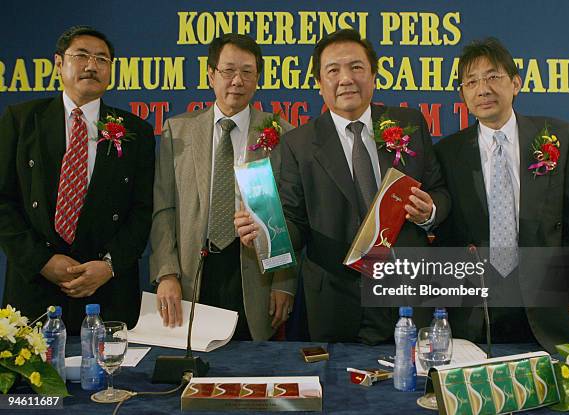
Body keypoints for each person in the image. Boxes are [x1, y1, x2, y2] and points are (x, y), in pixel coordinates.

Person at [237, 29, 450, 344]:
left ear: (374, 75)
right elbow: (295, 223)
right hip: (334, 301)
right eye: (333, 70)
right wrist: (265, 233)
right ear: (319, 84)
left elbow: (441, 191)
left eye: (356, 67)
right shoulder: (299, 143)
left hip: (406, 294)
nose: (346, 78)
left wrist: (430, 210)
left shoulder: (410, 123)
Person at [434, 37, 569, 352]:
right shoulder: (447, 153)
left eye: (493, 77)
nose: (483, 89)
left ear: (516, 83)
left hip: (544, 307)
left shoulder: (558, 138)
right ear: (463, 94)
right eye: (471, 82)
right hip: (475, 312)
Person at [0, 26, 155, 334]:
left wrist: (108, 266)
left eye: (102, 59)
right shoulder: (22, 121)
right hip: (34, 287)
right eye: (81, 55)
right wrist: (42, 261)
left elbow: (142, 211)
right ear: (59, 64)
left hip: (105, 292)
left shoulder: (136, 131)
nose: (91, 65)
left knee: (111, 379)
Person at [150, 33, 296, 341]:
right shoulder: (179, 131)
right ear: (211, 75)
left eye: (247, 72)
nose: (237, 81)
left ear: (258, 78)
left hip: (255, 273)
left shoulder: (282, 134)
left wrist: (283, 282)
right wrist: (166, 273)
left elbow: (293, 217)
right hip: (194, 269)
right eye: (228, 71)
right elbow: (164, 208)